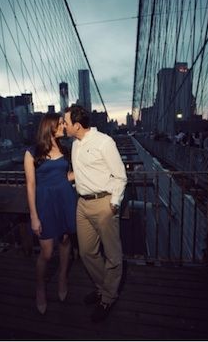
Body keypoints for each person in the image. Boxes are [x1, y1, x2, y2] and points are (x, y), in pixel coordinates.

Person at [63, 105, 127, 323]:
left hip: (103, 204)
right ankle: (103, 288)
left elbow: (120, 176)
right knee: (87, 253)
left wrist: (114, 204)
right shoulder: (75, 144)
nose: (64, 126)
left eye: (66, 123)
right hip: (82, 204)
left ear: (77, 125)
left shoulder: (104, 142)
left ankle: (108, 297)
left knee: (113, 255)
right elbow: (79, 173)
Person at [24, 113, 77, 315]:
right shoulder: (32, 153)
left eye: (65, 123)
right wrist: (33, 216)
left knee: (65, 241)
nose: (64, 126)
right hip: (45, 203)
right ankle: (40, 287)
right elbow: (30, 186)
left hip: (65, 199)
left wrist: (84, 170)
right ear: (50, 127)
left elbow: (68, 175)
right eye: (61, 123)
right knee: (46, 252)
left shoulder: (66, 149)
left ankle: (62, 276)